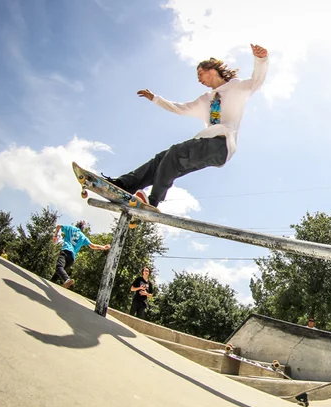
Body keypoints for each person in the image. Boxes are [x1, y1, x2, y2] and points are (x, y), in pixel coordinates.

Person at [102, 45, 269, 208]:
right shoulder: (205, 99)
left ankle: (153, 201)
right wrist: (155, 99)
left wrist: (260, 60)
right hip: (205, 145)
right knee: (163, 159)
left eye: (200, 73)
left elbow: (256, 81)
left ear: (212, 69)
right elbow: (180, 108)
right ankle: (124, 184)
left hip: (221, 145)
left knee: (175, 153)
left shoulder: (236, 86)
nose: (199, 79)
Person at [51, 221, 110, 288]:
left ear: (77, 225)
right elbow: (93, 246)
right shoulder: (83, 237)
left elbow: (58, 226)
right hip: (72, 258)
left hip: (65, 251)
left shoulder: (70, 228)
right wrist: (104, 247)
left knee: (59, 267)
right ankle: (52, 281)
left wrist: (55, 236)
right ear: (82, 229)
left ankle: (67, 279)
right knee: (59, 272)